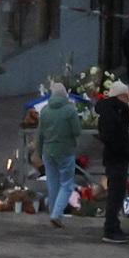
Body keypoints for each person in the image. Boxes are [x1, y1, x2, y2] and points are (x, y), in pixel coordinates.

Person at [36, 81, 85, 226]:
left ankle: (52, 211)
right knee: (66, 184)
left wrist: (39, 152)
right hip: (65, 151)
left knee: (52, 183)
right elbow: (77, 131)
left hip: (47, 151)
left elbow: (40, 135)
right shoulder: (70, 110)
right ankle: (56, 214)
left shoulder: (44, 110)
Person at [95, 82, 129, 243]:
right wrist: (123, 149)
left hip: (115, 156)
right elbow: (113, 136)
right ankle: (110, 229)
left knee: (117, 193)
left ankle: (114, 226)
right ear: (120, 96)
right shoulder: (113, 113)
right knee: (115, 194)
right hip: (116, 157)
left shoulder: (111, 111)